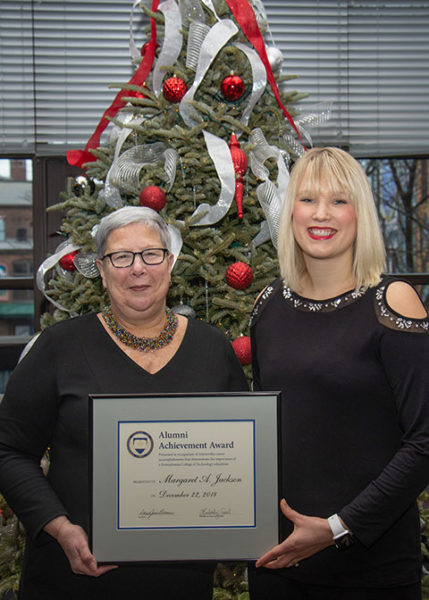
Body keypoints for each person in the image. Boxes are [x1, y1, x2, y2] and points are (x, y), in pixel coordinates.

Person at [0, 206, 248, 600]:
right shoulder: (59, 347)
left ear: (169, 264)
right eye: (121, 257)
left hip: (180, 579)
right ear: (101, 270)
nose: (138, 269)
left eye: (151, 254)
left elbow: (243, 457)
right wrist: (59, 526)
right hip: (74, 577)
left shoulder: (212, 349)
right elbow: (9, 451)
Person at [249, 147, 429, 600]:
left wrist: (337, 527)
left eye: (339, 200)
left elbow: (425, 440)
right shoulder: (267, 305)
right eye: (307, 199)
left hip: (370, 568)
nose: (321, 214)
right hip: (278, 563)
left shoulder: (394, 302)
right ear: (289, 211)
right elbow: (262, 431)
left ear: (360, 214)